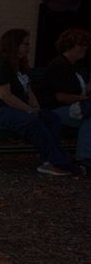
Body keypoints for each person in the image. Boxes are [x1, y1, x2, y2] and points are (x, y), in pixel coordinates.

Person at [0, 29, 72, 176]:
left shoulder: (20, 65)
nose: (28, 47)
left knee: (51, 118)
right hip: (1, 109)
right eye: (25, 44)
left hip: (18, 108)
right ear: (14, 44)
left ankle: (50, 160)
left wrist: (35, 107)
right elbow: (5, 95)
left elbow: (28, 89)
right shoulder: (1, 64)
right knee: (32, 120)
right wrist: (28, 109)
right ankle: (58, 161)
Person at [42, 28, 91, 171]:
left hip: (72, 108)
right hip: (54, 111)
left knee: (89, 118)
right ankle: (85, 157)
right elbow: (60, 96)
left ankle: (85, 158)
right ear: (72, 46)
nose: (85, 48)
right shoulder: (60, 65)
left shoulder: (74, 66)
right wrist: (84, 98)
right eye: (82, 44)